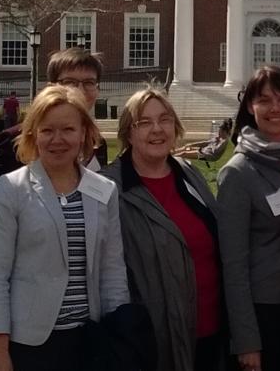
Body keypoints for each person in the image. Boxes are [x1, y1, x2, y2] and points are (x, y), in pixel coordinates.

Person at [0, 84, 130, 371]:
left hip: (89, 339)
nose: (57, 139)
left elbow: (112, 270)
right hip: (29, 344)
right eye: (47, 130)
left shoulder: (103, 190)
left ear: (84, 133)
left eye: (68, 130)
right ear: (33, 134)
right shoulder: (11, 189)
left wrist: (119, 333)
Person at [107, 88, 227, 371]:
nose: (157, 129)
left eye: (165, 119)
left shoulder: (189, 174)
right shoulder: (110, 189)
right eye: (144, 123)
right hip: (154, 342)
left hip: (212, 330)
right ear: (128, 133)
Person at [214, 65, 280, 371]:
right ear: (250, 106)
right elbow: (232, 265)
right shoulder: (237, 172)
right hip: (264, 314)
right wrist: (247, 342)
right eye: (265, 100)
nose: (275, 108)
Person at [0, 48, 108, 183]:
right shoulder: (12, 140)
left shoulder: (98, 143)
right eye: (70, 82)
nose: (80, 91)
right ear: (51, 87)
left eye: (89, 83)